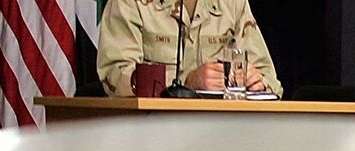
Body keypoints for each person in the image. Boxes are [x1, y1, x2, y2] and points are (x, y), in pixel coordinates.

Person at [97, 0, 280, 97]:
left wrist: (257, 83)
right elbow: (116, 76)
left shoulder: (232, 3)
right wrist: (185, 85)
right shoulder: (130, 3)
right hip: (150, 134)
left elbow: (272, 82)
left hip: (221, 135)